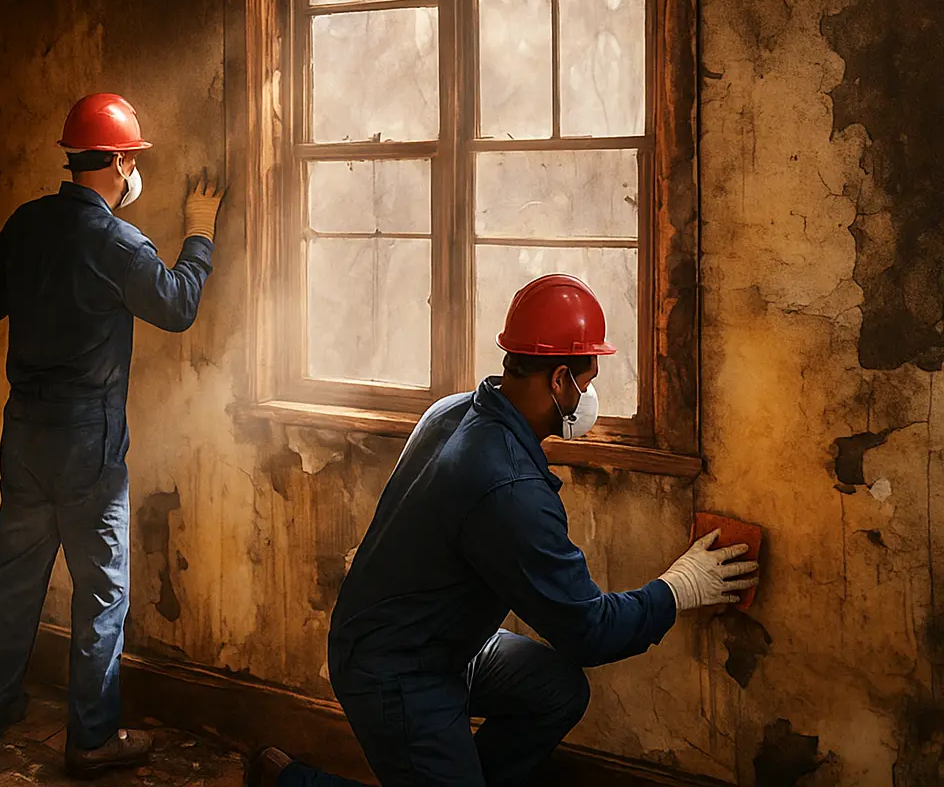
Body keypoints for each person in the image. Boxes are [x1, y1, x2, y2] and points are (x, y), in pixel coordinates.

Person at [254, 274, 757, 787]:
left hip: (444, 642)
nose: (589, 396)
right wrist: (678, 589)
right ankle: (288, 782)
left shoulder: (453, 410)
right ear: (559, 379)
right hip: (397, 668)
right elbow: (588, 632)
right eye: (586, 381)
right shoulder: (505, 485)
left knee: (557, 691)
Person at [0, 92, 224, 778]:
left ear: (73, 159)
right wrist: (200, 234)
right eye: (134, 158)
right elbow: (178, 306)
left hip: (25, 431)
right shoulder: (119, 244)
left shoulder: (27, 223)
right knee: (100, 592)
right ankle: (91, 739)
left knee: (13, 577)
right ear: (121, 161)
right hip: (87, 442)